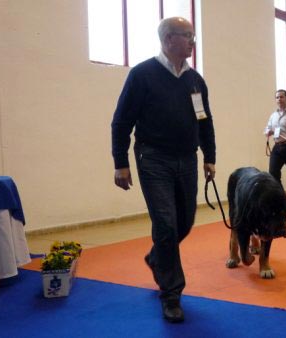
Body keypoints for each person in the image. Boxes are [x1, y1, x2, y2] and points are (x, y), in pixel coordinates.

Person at [111, 17, 216, 323]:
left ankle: (157, 257)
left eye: (193, 37)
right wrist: (120, 162)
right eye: (187, 36)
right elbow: (121, 122)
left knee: (184, 222)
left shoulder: (196, 80)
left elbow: (205, 121)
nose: (192, 42)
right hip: (153, 158)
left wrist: (210, 156)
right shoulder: (142, 75)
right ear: (169, 39)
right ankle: (171, 294)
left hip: (187, 159)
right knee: (166, 224)